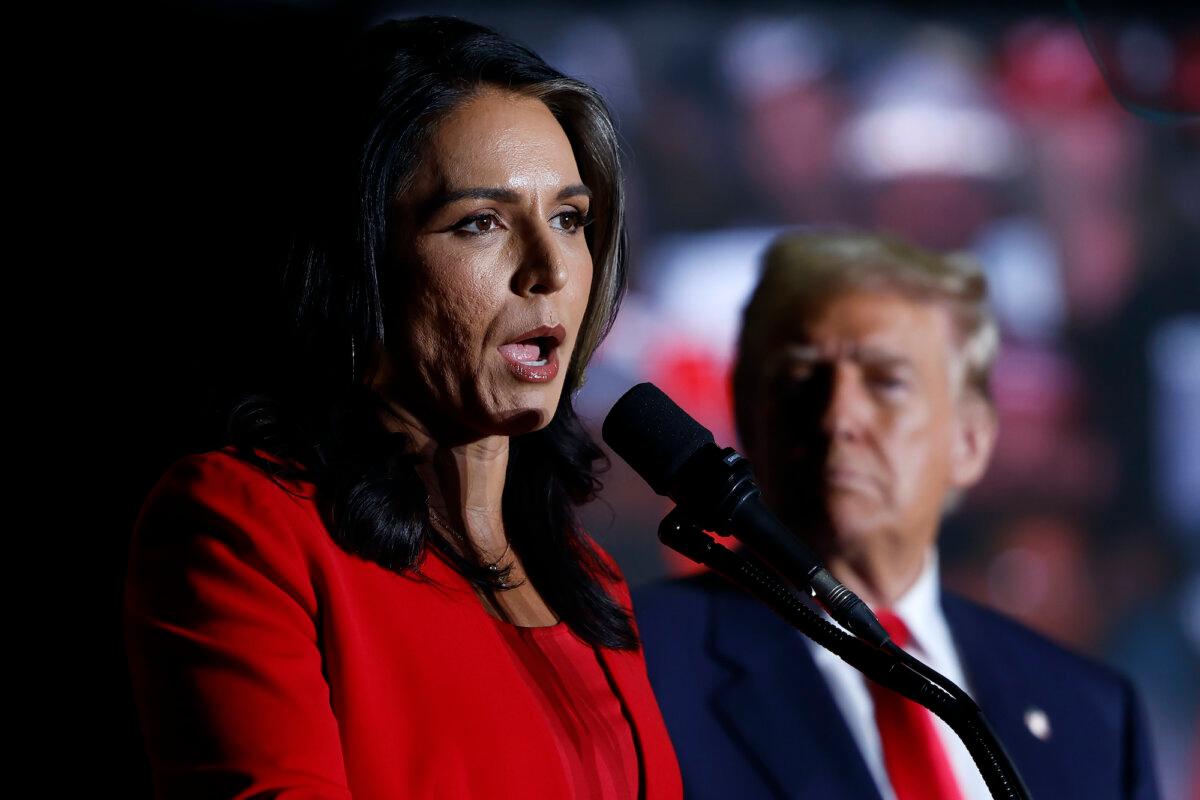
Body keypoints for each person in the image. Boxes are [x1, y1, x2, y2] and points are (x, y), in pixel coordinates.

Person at [124, 17, 682, 800]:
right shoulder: (246, 526)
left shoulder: (587, 577)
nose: (549, 270)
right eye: (480, 222)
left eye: (570, 219)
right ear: (360, 264)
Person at [632, 231, 1159, 800]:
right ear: (746, 413)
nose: (840, 417)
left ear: (971, 440)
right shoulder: (637, 665)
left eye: (887, 382)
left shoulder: (1094, 714)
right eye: (802, 378)